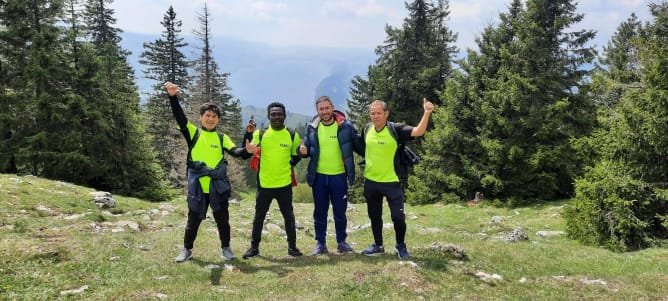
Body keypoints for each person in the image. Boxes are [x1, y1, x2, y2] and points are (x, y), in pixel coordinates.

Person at [164, 82, 252, 263]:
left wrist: (247, 149)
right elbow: (180, 118)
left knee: (222, 220)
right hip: (197, 188)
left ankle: (226, 248)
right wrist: (173, 97)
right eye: (207, 115)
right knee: (193, 221)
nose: (210, 119)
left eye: (214, 116)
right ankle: (187, 250)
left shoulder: (221, 138)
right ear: (201, 117)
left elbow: (237, 152)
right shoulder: (193, 133)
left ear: (218, 119)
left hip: (217, 187)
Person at [360, 98, 435, 259]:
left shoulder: (396, 129)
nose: (375, 116)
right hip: (371, 181)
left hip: (392, 182)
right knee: (374, 216)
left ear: (386, 114)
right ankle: (378, 245)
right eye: (372, 113)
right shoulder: (367, 129)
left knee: (398, 217)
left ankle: (400, 245)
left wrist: (427, 112)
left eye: (379, 113)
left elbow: (418, 131)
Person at [299, 96, 364, 255]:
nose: (325, 112)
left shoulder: (345, 127)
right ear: (317, 111)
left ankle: (341, 242)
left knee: (340, 211)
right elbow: (305, 148)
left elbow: (360, 147)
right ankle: (320, 244)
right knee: (320, 211)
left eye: (327, 108)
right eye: (321, 109)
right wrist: (301, 151)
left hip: (339, 176)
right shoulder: (312, 127)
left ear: (332, 107)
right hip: (319, 176)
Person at [242, 102, 304, 258]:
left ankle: (292, 248)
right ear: (269, 116)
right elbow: (250, 147)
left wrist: (294, 160)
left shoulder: (292, 134)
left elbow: (297, 154)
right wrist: (248, 137)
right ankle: (254, 248)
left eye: (279, 114)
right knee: (259, 217)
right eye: (273, 114)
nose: (277, 117)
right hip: (265, 184)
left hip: (284, 184)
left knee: (289, 216)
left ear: (284, 116)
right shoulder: (261, 134)